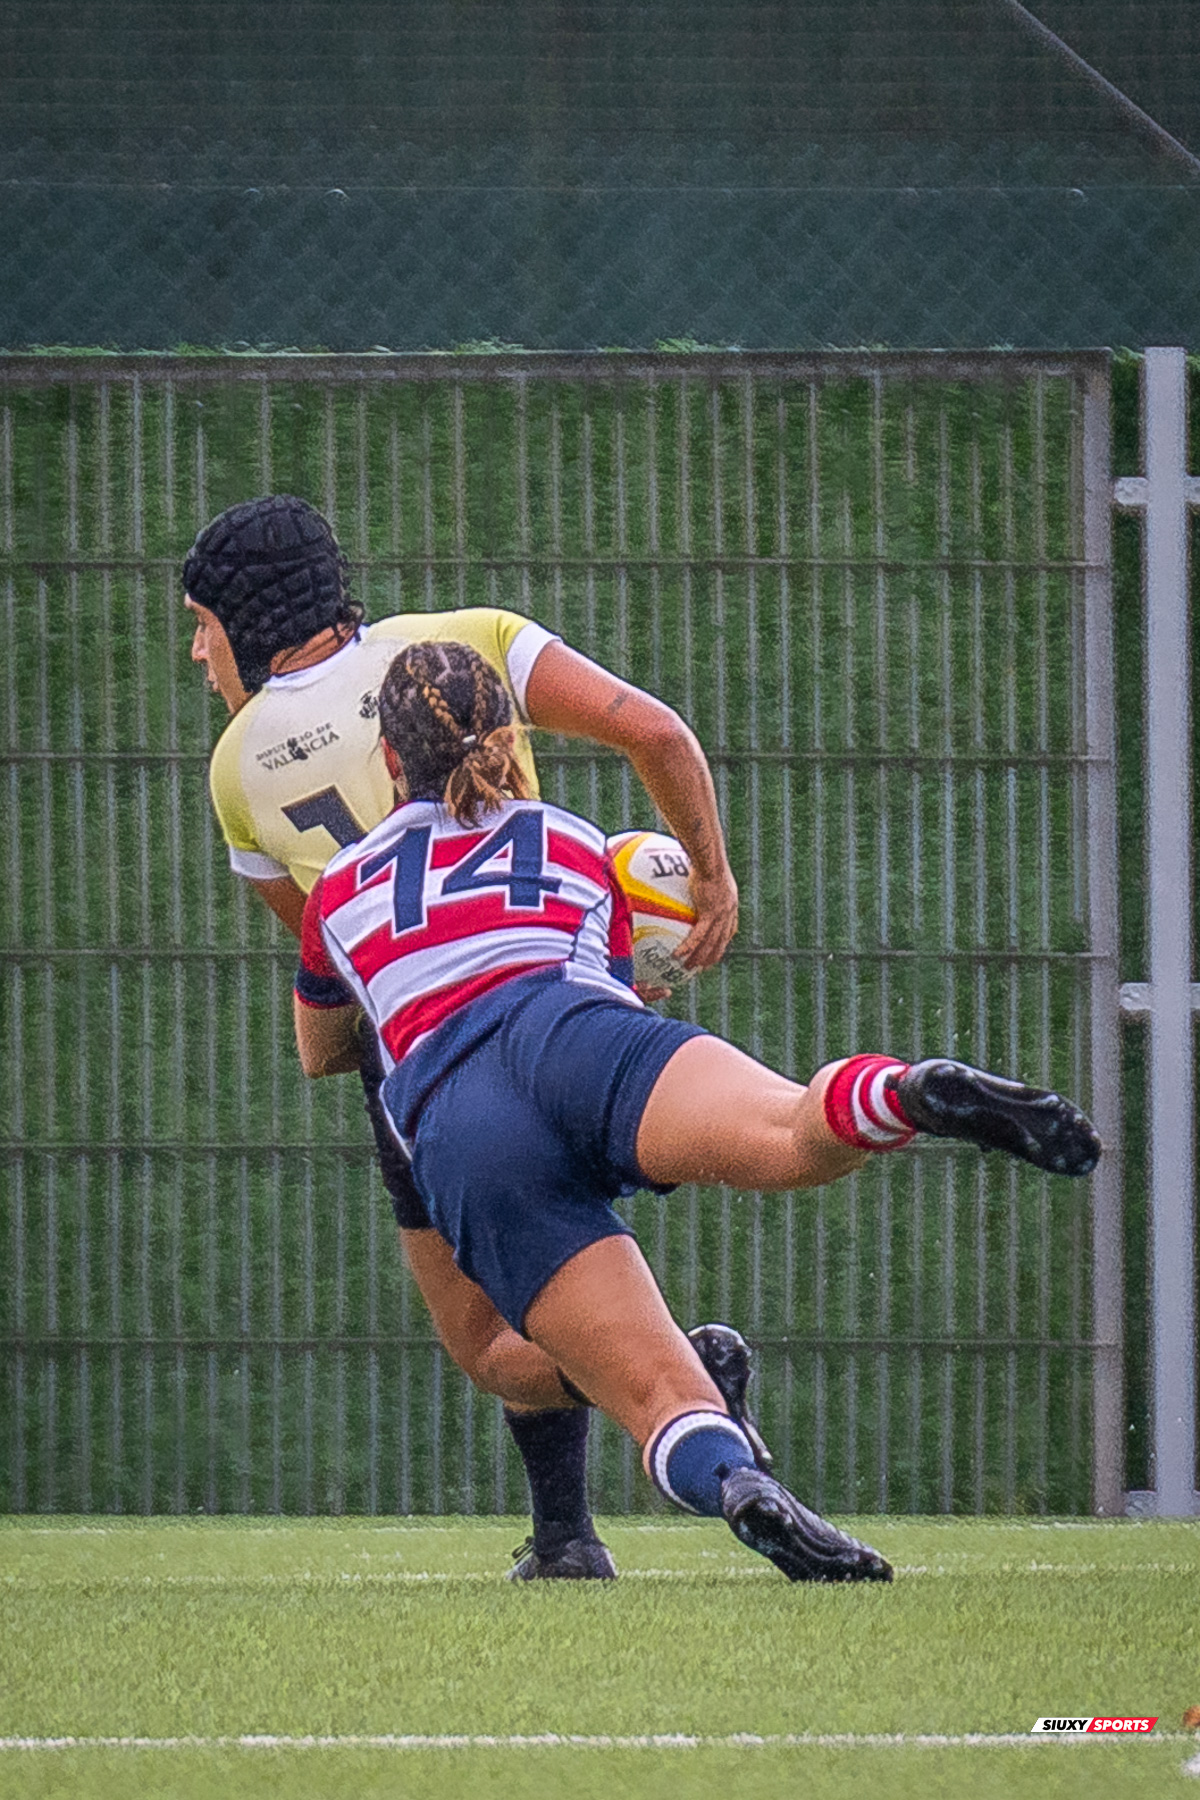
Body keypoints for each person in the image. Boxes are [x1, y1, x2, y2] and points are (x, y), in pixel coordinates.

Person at [293, 640, 1101, 1583]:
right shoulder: (572, 839)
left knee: (656, 1397)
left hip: (463, 1117)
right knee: (792, 1131)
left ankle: (735, 1484)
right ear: (508, 737)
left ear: (389, 760)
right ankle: (905, 1091)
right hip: (580, 1031)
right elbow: (622, 982)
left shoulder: (339, 892)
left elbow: (322, 1053)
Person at [182, 493, 746, 1579]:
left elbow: (341, 972)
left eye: (202, 622)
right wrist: (706, 885)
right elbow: (654, 730)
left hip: (421, 1060)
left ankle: (577, 1522)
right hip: (560, 1001)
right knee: (558, 1253)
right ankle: (613, 1475)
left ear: (251, 621)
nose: (197, 650)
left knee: (497, 1339)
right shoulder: (464, 642)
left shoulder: (238, 764)